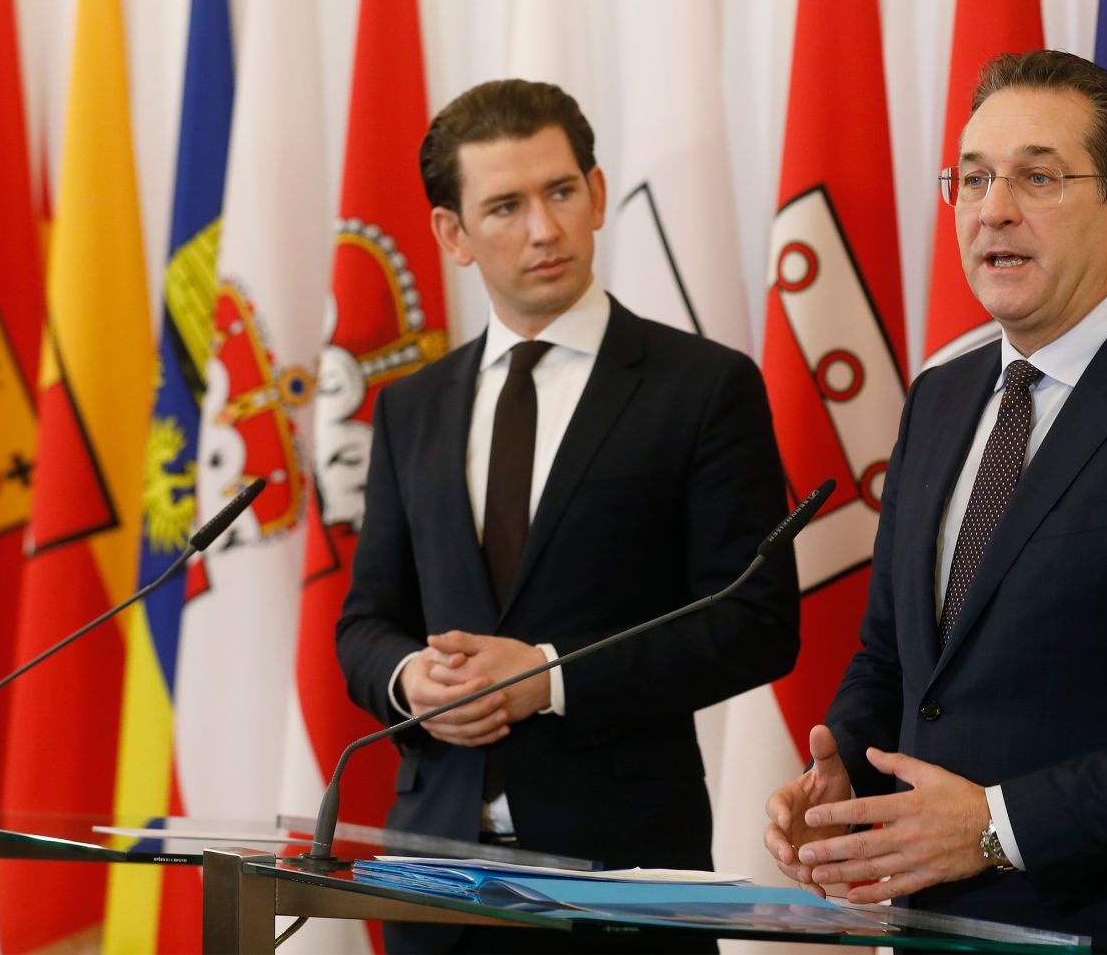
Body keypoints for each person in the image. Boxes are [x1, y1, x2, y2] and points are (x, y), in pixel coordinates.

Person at [762, 49, 1107, 953]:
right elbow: (895, 661)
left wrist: (996, 823)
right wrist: (843, 780)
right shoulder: (940, 400)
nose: (993, 209)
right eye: (973, 178)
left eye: (1037, 176)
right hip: (934, 929)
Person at [339, 78, 799, 953]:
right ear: (454, 234)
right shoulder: (413, 406)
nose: (544, 230)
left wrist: (548, 675)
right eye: (505, 206)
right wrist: (410, 682)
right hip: (436, 882)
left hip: (622, 876)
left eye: (559, 192)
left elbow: (755, 622)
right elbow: (367, 620)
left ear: (595, 194)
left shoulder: (703, 387)